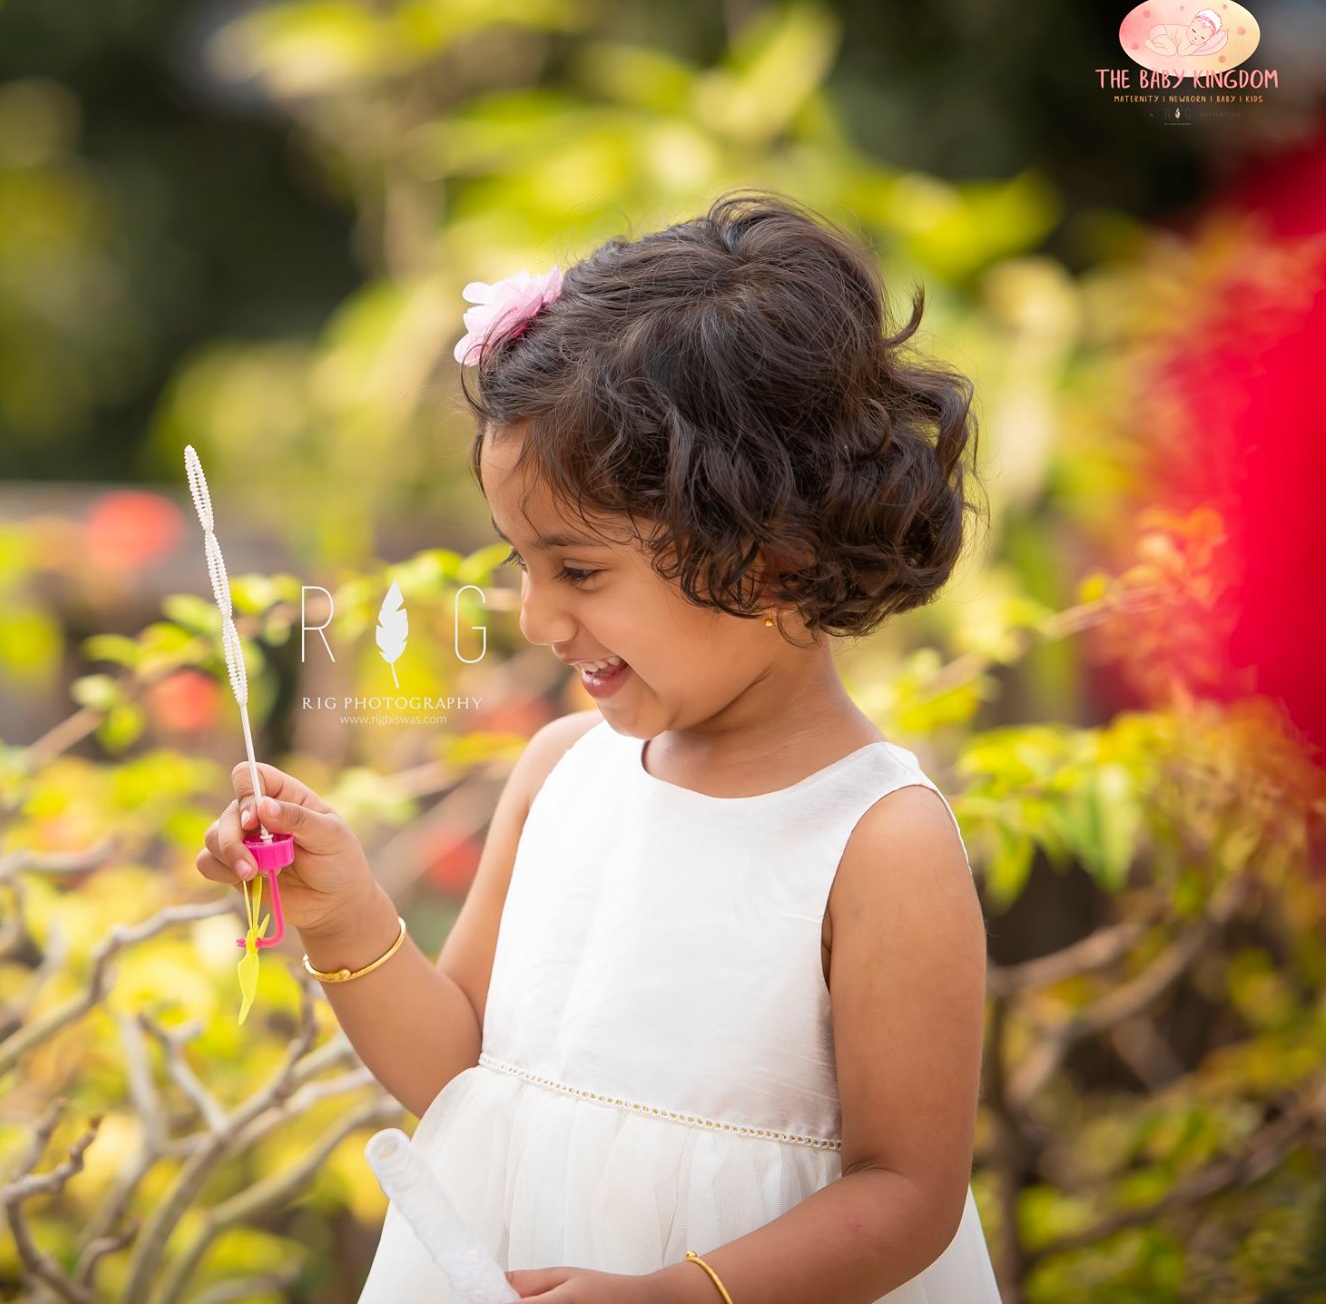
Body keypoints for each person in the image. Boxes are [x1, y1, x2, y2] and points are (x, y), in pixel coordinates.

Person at [197, 189, 1000, 1303]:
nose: (534, 617)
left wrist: (672, 1292)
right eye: (518, 562)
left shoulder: (875, 840)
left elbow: (907, 1192)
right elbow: (462, 1076)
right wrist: (342, 916)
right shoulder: (559, 772)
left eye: (577, 570)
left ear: (769, 549)